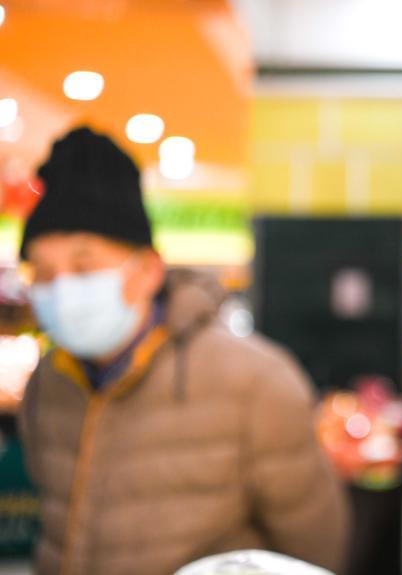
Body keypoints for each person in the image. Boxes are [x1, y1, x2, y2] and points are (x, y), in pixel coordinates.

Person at [17, 126, 349, 575]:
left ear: (148, 271)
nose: (60, 290)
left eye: (84, 266)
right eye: (42, 272)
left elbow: (314, 549)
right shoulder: (47, 382)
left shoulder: (256, 383)